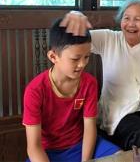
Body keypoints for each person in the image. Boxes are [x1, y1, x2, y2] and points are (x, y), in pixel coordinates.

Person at [60, 0, 140, 150]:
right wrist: (75, 14)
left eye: (137, 19)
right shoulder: (109, 39)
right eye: (126, 18)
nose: (131, 24)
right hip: (119, 109)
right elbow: (78, 37)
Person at [23, 18, 120, 162]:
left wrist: (85, 160)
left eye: (86, 57)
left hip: (81, 145)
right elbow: (34, 147)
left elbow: (89, 128)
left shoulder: (89, 83)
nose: (82, 64)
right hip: (48, 152)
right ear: (53, 56)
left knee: (121, 156)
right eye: (75, 59)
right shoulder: (35, 90)